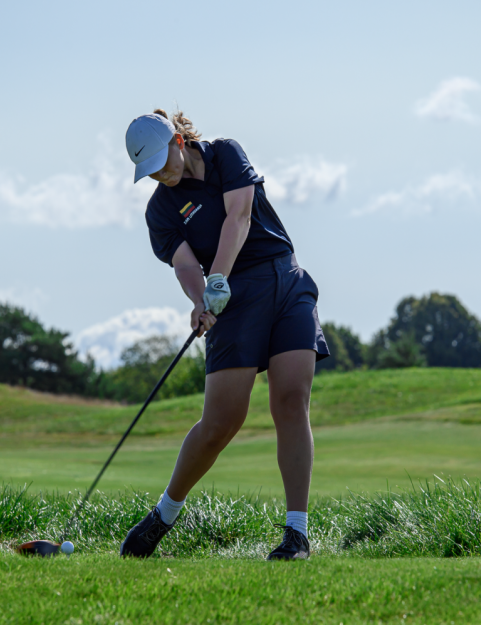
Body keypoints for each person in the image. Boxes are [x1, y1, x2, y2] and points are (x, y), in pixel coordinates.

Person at [119, 110, 329, 561]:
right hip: (231, 302)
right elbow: (183, 264)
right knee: (219, 425)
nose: (161, 172)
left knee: (291, 400)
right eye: (150, 169)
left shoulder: (225, 154)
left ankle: (297, 536)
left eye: (162, 159)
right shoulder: (159, 209)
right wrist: (201, 300)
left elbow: (240, 216)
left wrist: (217, 279)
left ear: (179, 139)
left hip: (283, 280)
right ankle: (164, 514)